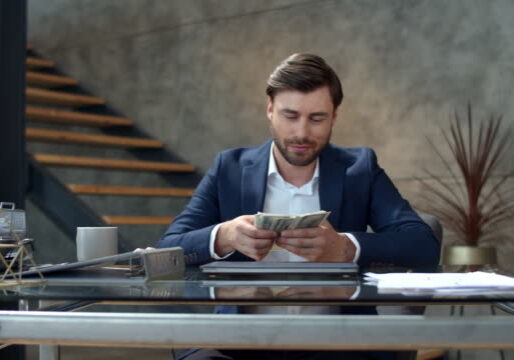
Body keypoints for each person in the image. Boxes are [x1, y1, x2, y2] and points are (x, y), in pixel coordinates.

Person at [157, 53, 440, 360]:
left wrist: (345, 248)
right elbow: (168, 249)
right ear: (269, 109)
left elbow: (421, 243)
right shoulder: (230, 168)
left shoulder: (360, 169)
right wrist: (224, 236)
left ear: (335, 116)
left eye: (316, 118)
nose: (302, 133)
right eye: (290, 116)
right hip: (239, 343)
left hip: (336, 344)